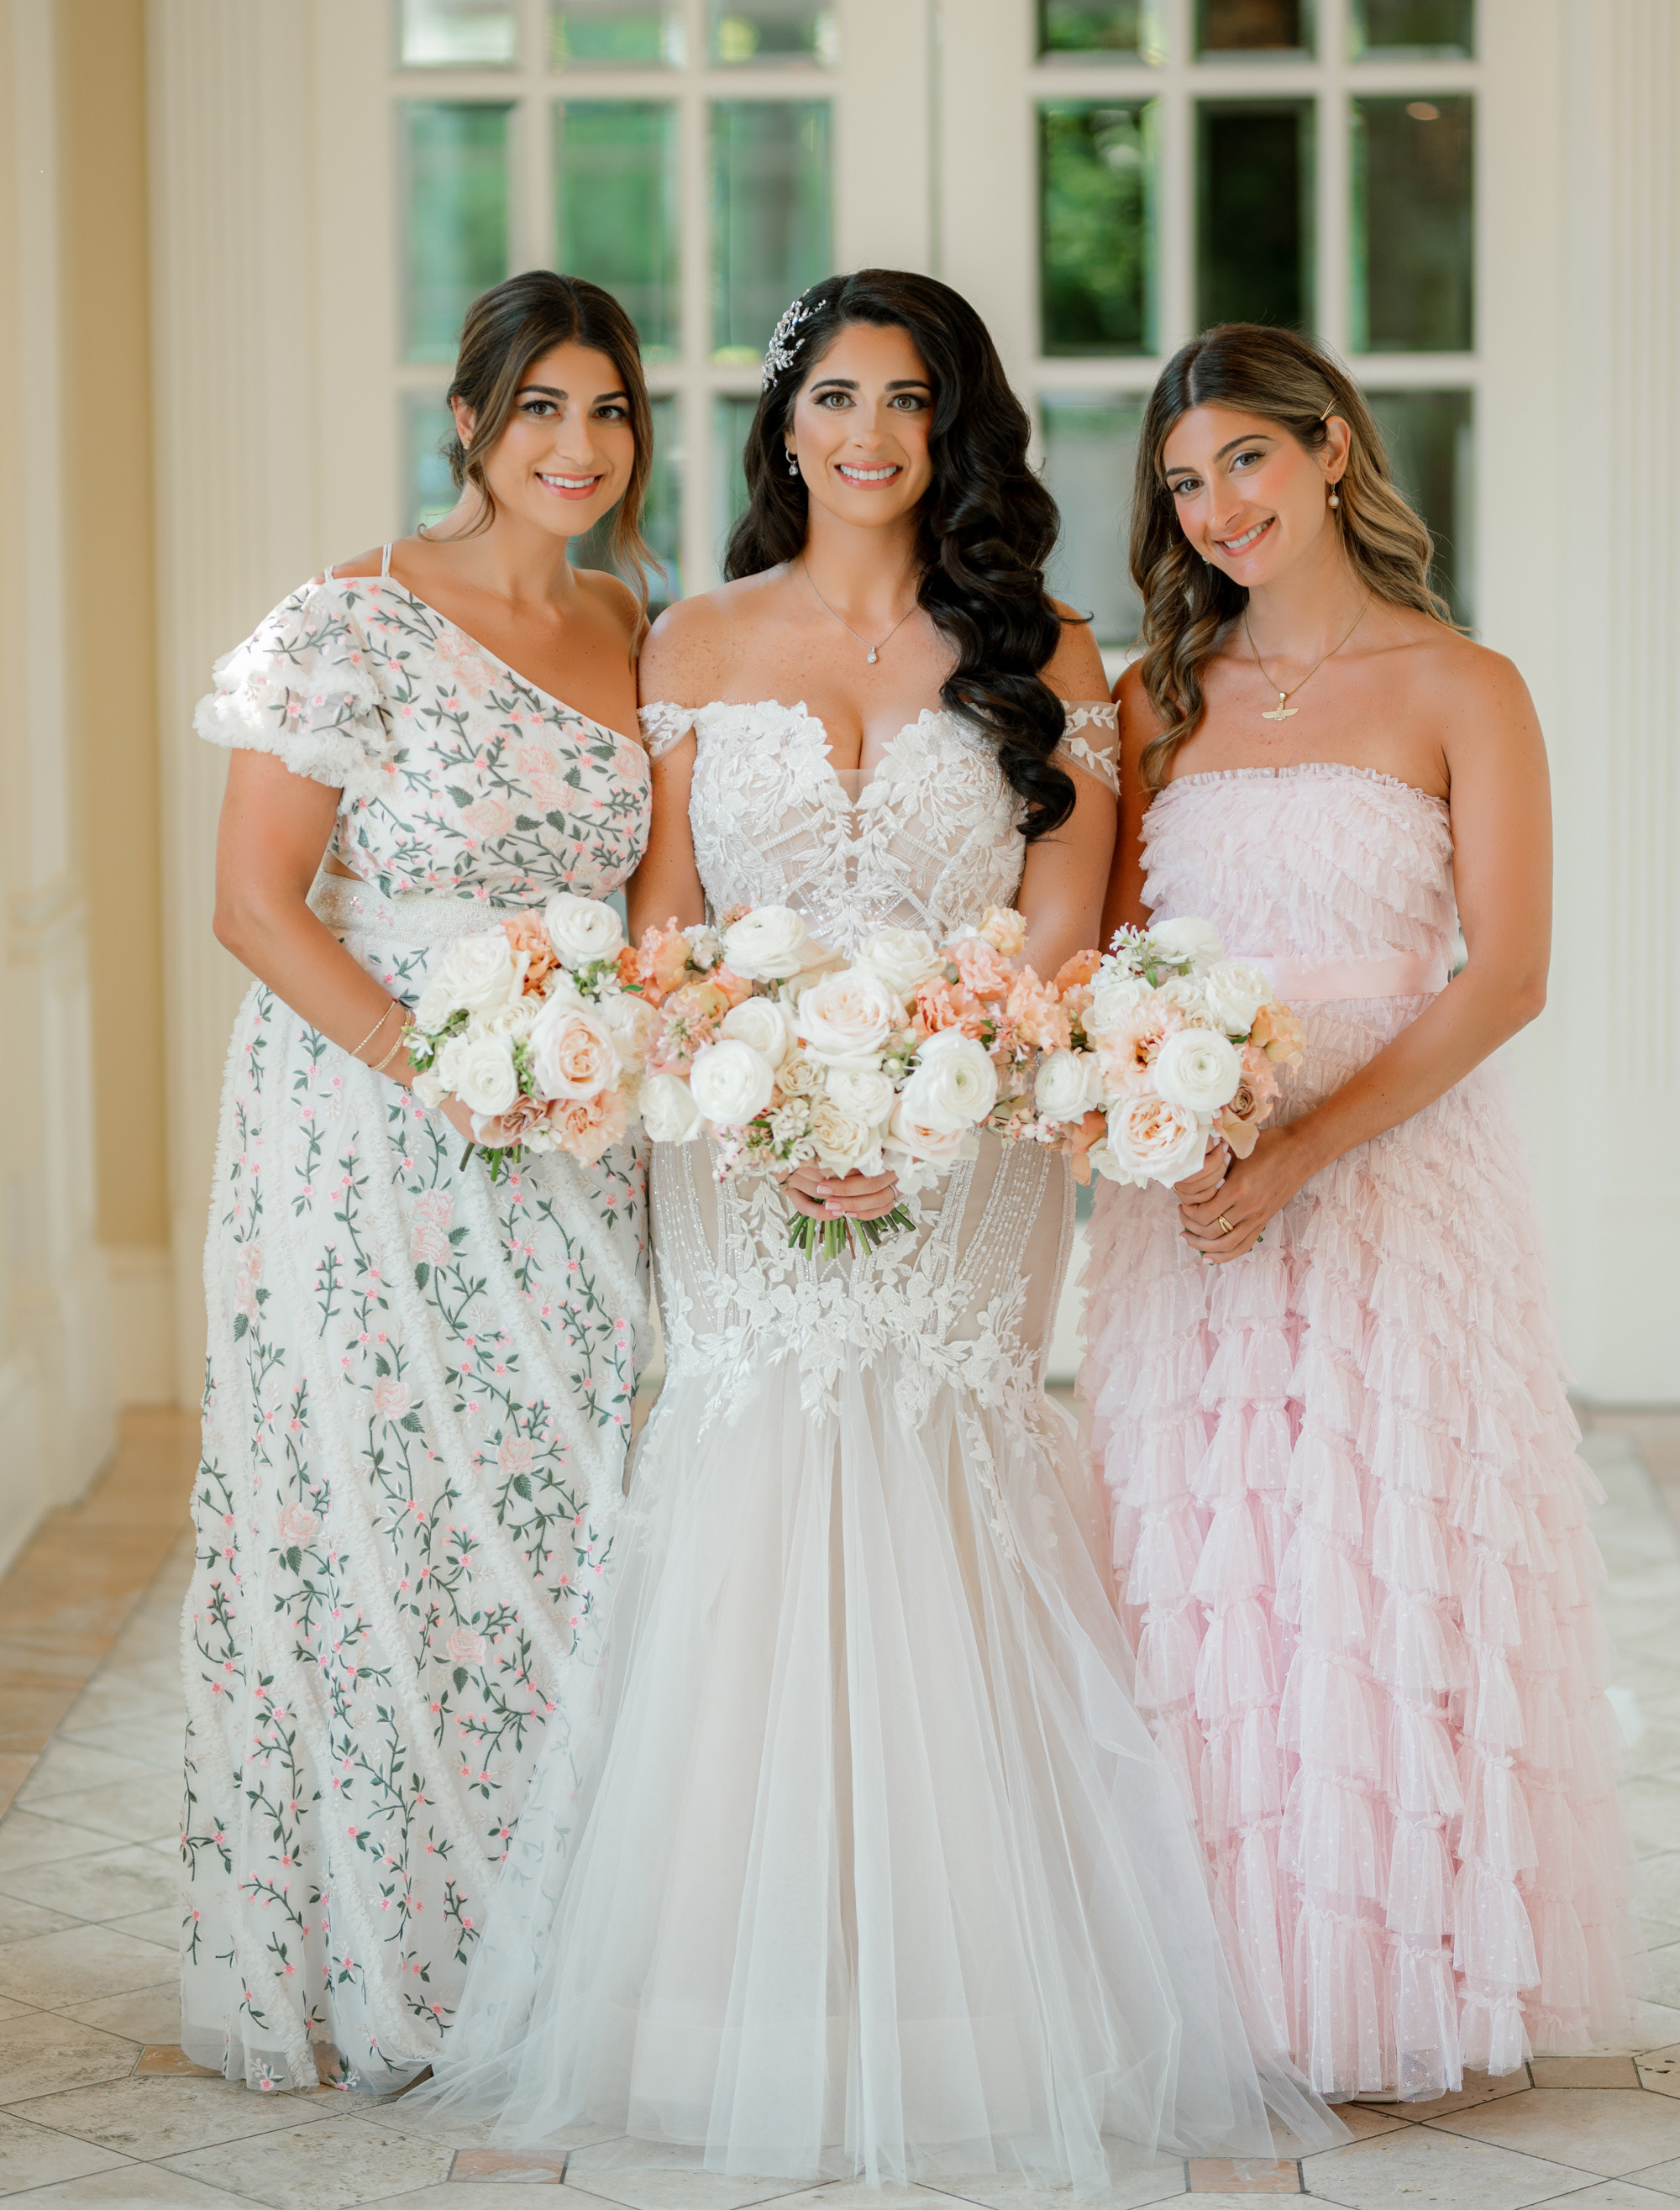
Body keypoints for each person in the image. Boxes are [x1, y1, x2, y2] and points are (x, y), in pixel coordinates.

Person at [420, 272, 1340, 2190]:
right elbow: (663, 930)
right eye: (833, 395)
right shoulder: (692, 637)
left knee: (941, 1496)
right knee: (752, 1509)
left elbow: (1064, 940)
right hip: (735, 1153)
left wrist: (929, 1124)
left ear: (955, 430)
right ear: (779, 424)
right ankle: (710, 2004)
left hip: (974, 1147)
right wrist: (767, 1114)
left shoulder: (1049, 649)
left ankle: (974, 2002)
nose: (868, 434)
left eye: (908, 401)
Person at [1081, 322, 1643, 2104]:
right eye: (1183, 483)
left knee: (1378, 1564)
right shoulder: (1153, 697)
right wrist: (1166, 1123)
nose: (1217, 507)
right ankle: (1221, 1987)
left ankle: (1388, 1982)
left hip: (1395, 1190)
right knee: (1207, 1572)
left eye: (1244, 459)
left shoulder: (1462, 687)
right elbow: (1102, 962)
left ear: (1331, 451)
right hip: (1191, 1203)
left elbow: (1509, 978)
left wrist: (1305, 1147)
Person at [181, 270, 656, 2092]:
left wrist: (570, 1068)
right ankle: (379, 1961)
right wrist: (428, 1070)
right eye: (539, 407)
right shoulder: (349, 622)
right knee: (380, 1519)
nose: (578, 446)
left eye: (606, 411)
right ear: (468, 423)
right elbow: (252, 903)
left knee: (563, 1524)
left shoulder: (634, 621)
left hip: (576, 1136)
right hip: (369, 1132)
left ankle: (542, 1953)